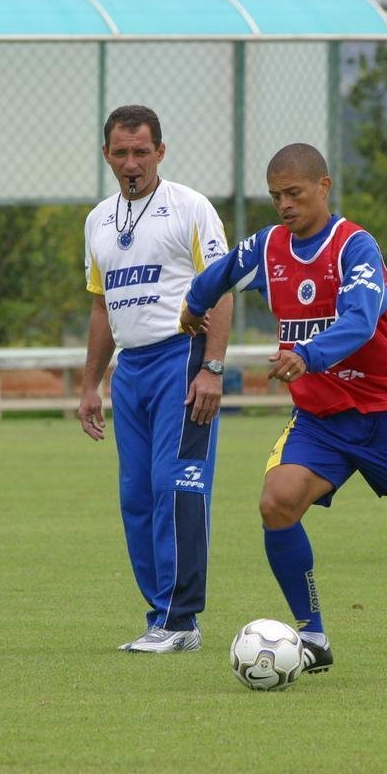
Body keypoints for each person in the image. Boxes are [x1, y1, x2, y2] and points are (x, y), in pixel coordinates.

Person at [179, 143, 387, 678]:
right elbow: (219, 273)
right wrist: (194, 306)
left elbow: (361, 321)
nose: (284, 205)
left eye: (294, 193)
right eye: (275, 196)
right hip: (320, 422)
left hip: (384, 418)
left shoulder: (354, 247)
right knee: (276, 503)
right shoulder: (269, 245)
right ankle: (313, 635)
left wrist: (307, 356)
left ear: (324, 186)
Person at [79, 105, 234, 649]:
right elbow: (102, 308)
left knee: (177, 486)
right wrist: (91, 384)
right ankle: (159, 617)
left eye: (141, 152)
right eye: (120, 153)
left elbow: (221, 288)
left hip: (182, 359)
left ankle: (182, 618)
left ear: (160, 152)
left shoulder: (190, 208)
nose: (131, 163)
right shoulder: (98, 220)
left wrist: (212, 368)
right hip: (131, 370)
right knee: (137, 496)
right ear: (106, 155)